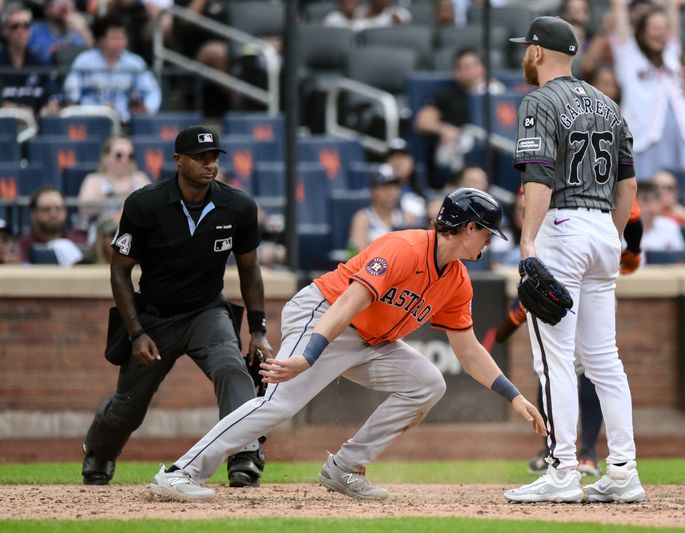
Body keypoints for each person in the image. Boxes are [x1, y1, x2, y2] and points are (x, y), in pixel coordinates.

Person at [147, 187, 547, 501]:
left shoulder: (456, 280)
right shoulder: (404, 247)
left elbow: (468, 349)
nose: (489, 243)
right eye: (486, 233)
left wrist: (513, 397)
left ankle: (346, 467)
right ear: (468, 228)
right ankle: (180, 472)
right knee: (279, 403)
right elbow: (350, 301)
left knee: (428, 383)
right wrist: (308, 355)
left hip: (371, 339)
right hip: (323, 313)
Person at [81, 126, 272, 488]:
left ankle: (245, 452)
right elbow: (120, 271)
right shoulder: (144, 203)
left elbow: (250, 268)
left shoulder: (239, 206)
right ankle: (100, 451)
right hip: (154, 316)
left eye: (214, 157)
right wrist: (136, 332)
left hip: (207, 311)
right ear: (178, 160)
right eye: (201, 158)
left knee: (232, 369)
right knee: (129, 405)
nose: (210, 164)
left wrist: (258, 330)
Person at [505, 16, 644, 504]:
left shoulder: (538, 101)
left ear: (538, 53)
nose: (525, 54)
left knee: (555, 359)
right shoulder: (608, 103)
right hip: (605, 230)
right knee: (605, 360)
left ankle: (564, 469)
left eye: (528, 48)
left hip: (560, 226)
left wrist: (528, 243)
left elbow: (538, 178)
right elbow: (627, 184)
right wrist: (613, 234)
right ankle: (624, 471)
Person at [610, 0, 685, 180]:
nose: (661, 33)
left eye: (663, 28)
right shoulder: (629, 54)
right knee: (647, 194)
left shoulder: (671, 53)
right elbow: (619, 10)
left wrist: (671, 6)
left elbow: (672, 9)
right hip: (645, 140)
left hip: (682, 136)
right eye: (654, 28)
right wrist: (619, 6)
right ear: (642, 32)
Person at [413, 48, 504, 184]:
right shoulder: (445, 94)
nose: (467, 71)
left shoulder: (494, 92)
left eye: (472, 66)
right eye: (462, 67)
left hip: (491, 148)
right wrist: (443, 129)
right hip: (457, 149)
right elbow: (422, 122)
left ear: (482, 68)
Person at [63, 14, 161, 123]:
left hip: (125, 121)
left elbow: (152, 91)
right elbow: (71, 93)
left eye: (122, 37)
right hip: (89, 119)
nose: (119, 42)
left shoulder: (134, 62)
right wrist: (96, 107)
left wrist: (146, 107)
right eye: (114, 38)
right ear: (101, 40)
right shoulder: (84, 61)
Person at [77, 135, 151, 229]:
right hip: (102, 233)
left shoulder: (140, 178)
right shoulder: (94, 180)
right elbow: (84, 208)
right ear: (105, 157)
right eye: (119, 155)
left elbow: (152, 207)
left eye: (130, 156)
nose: (125, 160)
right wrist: (112, 195)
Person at [0, 3, 60, 116]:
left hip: (36, 129)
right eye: (15, 26)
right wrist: (18, 111)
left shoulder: (41, 63)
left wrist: (46, 111)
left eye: (26, 25)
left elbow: (53, 101)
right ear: (4, 31)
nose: (21, 30)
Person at [347, 164, 417, 254]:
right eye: (385, 187)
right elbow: (356, 255)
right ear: (372, 190)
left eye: (395, 187)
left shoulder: (407, 218)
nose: (391, 192)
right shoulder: (362, 218)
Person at [17, 185, 84, 266]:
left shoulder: (78, 241)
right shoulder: (22, 247)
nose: (53, 214)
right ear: (33, 214)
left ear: (65, 212)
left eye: (58, 208)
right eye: (46, 209)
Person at [28, 0, 92, 64]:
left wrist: (83, 30)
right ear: (47, 9)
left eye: (69, 2)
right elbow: (41, 57)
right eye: (58, 2)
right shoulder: (35, 30)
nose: (64, 6)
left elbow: (90, 56)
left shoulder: (78, 32)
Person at [638, 182, 685, 252]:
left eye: (655, 199)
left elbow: (679, 257)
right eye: (645, 200)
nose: (652, 205)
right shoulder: (621, 228)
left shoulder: (671, 226)